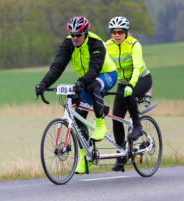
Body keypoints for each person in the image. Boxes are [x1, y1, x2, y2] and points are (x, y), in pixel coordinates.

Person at [35, 16, 117, 174]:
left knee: (93, 85)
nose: (75, 38)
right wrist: (44, 83)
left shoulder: (96, 43)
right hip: (86, 79)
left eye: (78, 35)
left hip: (107, 74)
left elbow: (94, 70)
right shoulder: (67, 44)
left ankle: (100, 124)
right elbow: (58, 66)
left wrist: (81, 82)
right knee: (78, 119)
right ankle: (85, 157)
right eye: (72, 34)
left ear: (85, 33)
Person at [105, 16, 152, 171]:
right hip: (122, 83)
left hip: (141, 79)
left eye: (120, 32)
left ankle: (137, 126)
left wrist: (131, 85)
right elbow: (102, 67)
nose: (117, 35)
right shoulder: (107, 46)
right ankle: (121, 156)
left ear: (126, 32)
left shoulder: (134, 44)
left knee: (129, 95)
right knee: (116, 119)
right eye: (114, 32)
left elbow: (138, 67)